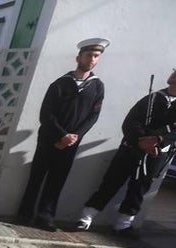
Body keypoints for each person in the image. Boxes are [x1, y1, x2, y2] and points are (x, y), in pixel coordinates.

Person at [18, 39, 107, 231]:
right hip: (49, 139)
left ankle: (45, 216)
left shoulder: (97, 86)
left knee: (57, 181)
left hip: (71, 143)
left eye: (96, 56)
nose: (92, 59)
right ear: (79, 57)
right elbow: (46, 114)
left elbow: (93, 116)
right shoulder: (60, 84)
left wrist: (75, 136)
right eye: (89, 55)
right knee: (36, 177)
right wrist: (61, 135)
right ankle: (24, 214)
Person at [74, 68, 176, 236]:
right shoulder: (153, 98)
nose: (173, 74)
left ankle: (123, 224)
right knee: (111, 182)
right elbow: (131, 121)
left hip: (155, 153)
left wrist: (158, 140)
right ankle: (86, 218)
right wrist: (141, 140)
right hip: (132, 148)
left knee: (139, 189)